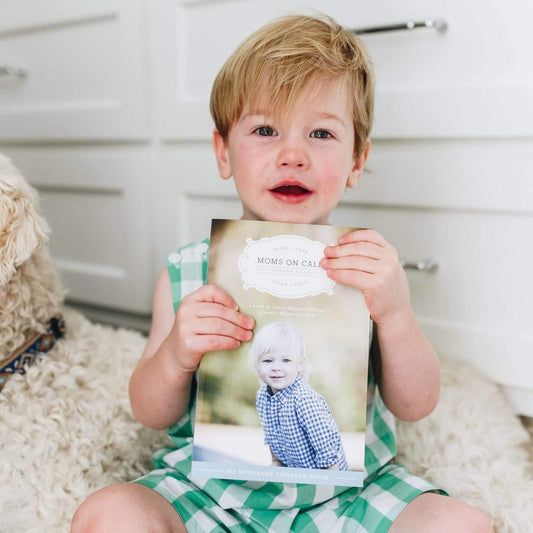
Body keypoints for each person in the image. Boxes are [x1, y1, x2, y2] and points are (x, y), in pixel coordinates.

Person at [72, 13, 493, 533]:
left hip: (350, 491)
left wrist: (397, 313)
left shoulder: (367, 267)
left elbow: (416, 404)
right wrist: (178, 352)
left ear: (357, 159)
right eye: (265, 130)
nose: (292, 155)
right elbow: (149, 411)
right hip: (209, 491)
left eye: (321, 133)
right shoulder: (188, 269)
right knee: (109, 513)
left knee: (458, 522)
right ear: (224, 152)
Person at [250, 321, 348, 470]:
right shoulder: (263, 397)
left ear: (300, 365)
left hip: (325, 476)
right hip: (293, 477)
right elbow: (275, 452)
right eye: (268, 360)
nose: (276, 367)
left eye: (286, 360)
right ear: (258, 365)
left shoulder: (304, 400)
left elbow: (329, 460)